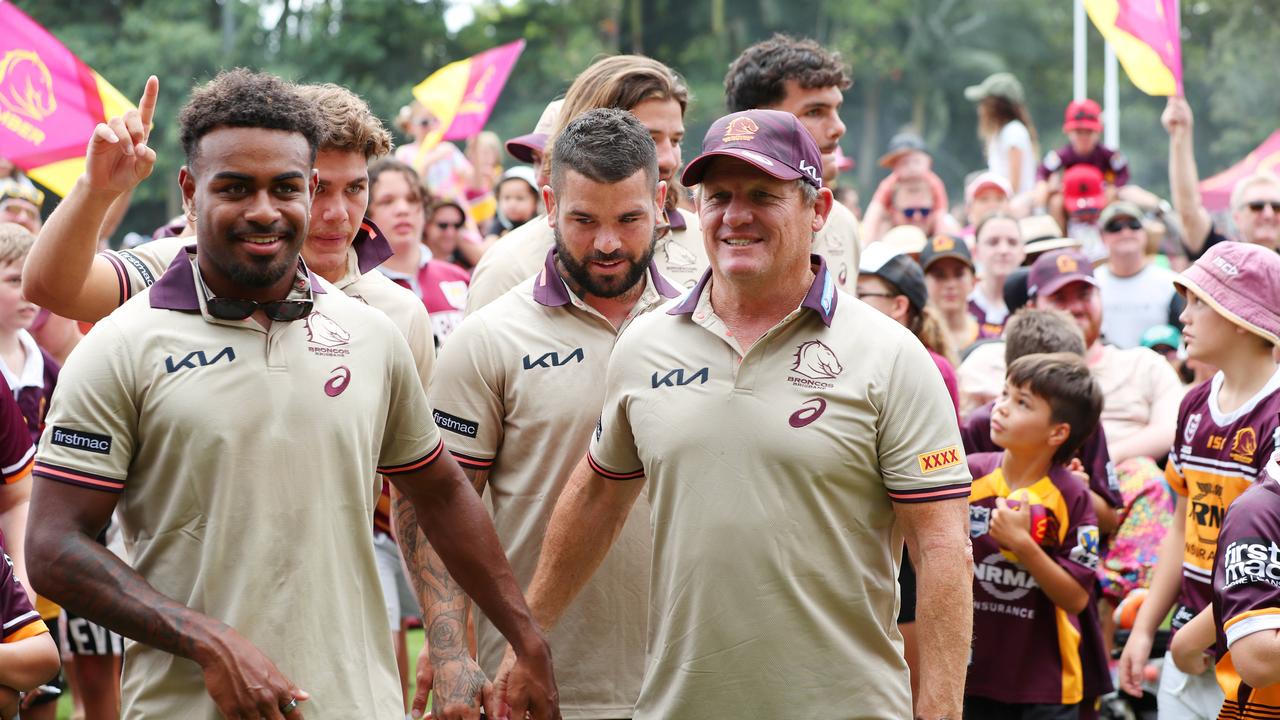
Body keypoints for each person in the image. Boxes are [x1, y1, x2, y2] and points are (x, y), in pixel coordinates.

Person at [24, 69, 558, 720]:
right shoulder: (124, 343)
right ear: (191, 191)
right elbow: (52, 546)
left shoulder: (372, 333)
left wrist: (524, 639)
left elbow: (439, 492)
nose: (264, 209)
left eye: (285, 187)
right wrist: (208, 640)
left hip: (358, 705)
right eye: (236, 187)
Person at [493, 108, 972, 720]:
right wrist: (528, 639)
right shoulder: (646, 344)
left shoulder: (892, 355)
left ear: (818, 209)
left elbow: (942, 550)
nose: (736, 215)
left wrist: (940, 712)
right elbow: (595, 500)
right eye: (718, 197)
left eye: (763, 195)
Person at [422, 108, 680, 720]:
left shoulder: (706, 329)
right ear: (548, 203)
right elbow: (437, 504)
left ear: (662, 201)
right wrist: (453, 654)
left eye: (630, 219)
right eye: (584, 220)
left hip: (686, 683)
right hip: (532, 685)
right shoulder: (488, 338)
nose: (608, 243)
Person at [1118, 242, 1280, 720]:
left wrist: (1193, 638)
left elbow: (1266, 558)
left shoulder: (1275, 415)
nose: (1183, 316)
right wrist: (1149, 627)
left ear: (1241, 317)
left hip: (1249, 653)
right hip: (1191, 648)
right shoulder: (1193, 405)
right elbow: (1183, 526)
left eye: (1199, 302)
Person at [466, 55, 706, 312]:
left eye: (676, 140)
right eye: (649, 138)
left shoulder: (705, 241)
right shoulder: (512, 267)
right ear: (588, 133)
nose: (669, 159)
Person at [965, 352, 1103, 718]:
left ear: (1058, 432)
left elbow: (1075, 598)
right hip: (971, 674)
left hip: (1045, 685)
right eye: (1005, 394)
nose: (1002, 408)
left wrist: (1024, 545)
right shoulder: (969, 476)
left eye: (1022, 403)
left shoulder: (1071, 495)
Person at [724, 33, 863, 284]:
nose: (839, 127)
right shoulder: (717, 230)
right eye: (814, 112)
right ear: (758, 121)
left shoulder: (843, 225)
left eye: (836, 110)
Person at [1027, 249, 1183, 464]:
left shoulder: (1144, 364)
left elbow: (1169, 428)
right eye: (1059, 298)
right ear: (1032, 307)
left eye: (1084, 295)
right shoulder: (1013, 371)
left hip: (1129, 481)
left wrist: (1106, 460)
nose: (1075, 308)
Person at [368, 159, 472, 345]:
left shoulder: (458, 277)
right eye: (387, 201)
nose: (403, 209)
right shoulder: (356, 291)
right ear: (367, 212)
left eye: (412, 199)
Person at [1163, 95, 1280, 258]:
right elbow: (1189, 213)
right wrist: (1181, 136)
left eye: (1276, 207)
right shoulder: (1223, 258)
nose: (1268, 214)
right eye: (1257, 206)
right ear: (1236, 217)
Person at [1094, 201, 1180, 349]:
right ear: (1102, 236)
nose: (1126, 232)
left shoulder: (1171, 283)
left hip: (1157, 369)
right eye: (1115, 228)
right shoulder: (1091, 283)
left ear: (1144, 232)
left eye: (1133, 225)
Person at [1033, 98, 1129, 214]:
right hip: (1071, 200)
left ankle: (1109, 231)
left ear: (1098, 132)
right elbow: (1042, 171)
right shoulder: (1061, 156)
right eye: (1078, 132)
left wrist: (1114, 187)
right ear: (1068, 132)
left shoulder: (1108, 155)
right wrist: (1043, 185)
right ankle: (1057, 232)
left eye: (1089, 131)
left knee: (1114, 198)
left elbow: (1123, 172)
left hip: (1099, 199)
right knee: (1055, 202)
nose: (1084, 137)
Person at [965, 72, 1038, 197]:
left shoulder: (1013, 132)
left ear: (996, 106)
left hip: (1016, 206)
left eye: (983, 103)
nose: (980, 109)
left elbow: (1014, 185)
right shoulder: (1001, 134)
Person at [921, 234, 991, 355]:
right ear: (922, 282)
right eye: (939, 275)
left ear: (973, 281)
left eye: (958, 274)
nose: (950, 284)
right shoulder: (916, 341)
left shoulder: (989, 341)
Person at [970, 213, 1026, 338]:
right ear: (975, 251)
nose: (1003, 250)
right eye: (993, 242)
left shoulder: (1034, 304)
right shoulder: (963, 302)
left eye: (1012, 242)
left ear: (1023, 251)